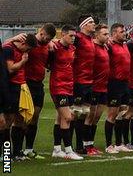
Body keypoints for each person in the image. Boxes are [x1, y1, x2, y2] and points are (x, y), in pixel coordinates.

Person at [23, 23, 56, 159]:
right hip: (25, 84)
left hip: (38, 84)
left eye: (50, 39)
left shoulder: (47, 47)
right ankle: (16, 150)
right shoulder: (29, 42)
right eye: (47, 38)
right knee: (22, 118)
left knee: (35, 117)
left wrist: (51, 44)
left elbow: (48, 63)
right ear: (41, 32)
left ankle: (29, 149)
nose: (47, 41)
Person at [49, 25, 83, 160]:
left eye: (74, 36)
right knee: (68, 117)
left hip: (69, 86)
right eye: (71, 35)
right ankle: (69, 151)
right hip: (58, 86)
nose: (73, 38)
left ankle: (57, 149)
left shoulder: (72, 48)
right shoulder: (54, 47)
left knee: (60, 118)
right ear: (62, 34)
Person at [2, 33, 36, 160]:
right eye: (27, 48)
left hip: (21, 87)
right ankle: (6, 154)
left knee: (20, 120)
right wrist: (23, 61)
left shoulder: (17, 47)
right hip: (10, 87)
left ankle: (17, 152)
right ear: (23, 44)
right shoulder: (8, 49)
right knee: (8, 121)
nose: (28, 52)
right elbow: (10, 69)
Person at [106, 23, 133, 153]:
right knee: (112, 114)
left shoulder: (125, 45)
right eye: (121, 32)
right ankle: (108, 145)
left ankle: (118, 143)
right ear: (114, 33)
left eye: (124, 31)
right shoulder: (109, 46)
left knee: (122, 113)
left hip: (125, 83)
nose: (124, 33)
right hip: (114, 83)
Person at [72, 15, 96, 154]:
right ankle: (70, 146)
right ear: (84, 25)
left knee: (84, 113)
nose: (94, 24)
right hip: (79, 81)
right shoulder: (78, 38)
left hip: (89, 81)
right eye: (91, 22)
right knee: (75, 113)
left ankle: (80, 145)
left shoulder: (90, 39)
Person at [85, 24, 109, 155]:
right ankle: (85, 145)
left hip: (103, 87)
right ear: (97, 35)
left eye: (108, 34)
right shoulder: (92, 47)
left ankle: (90, 144)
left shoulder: (105, 47)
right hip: (93, 86)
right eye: (105, 34)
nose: (107, 36)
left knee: (96, 117)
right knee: (90, 116)